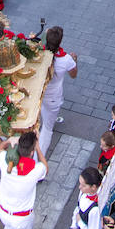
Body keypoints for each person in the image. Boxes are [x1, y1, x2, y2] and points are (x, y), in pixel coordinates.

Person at [39, 25, 77, 154]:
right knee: (47, 129)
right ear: (60, 41)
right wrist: (75, 61)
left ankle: (49, 118)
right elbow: (73, 75)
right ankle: (39, 157)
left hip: (40, 94)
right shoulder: (66, 59)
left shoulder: (40, 53)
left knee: (46, 113)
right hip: (53, 98)